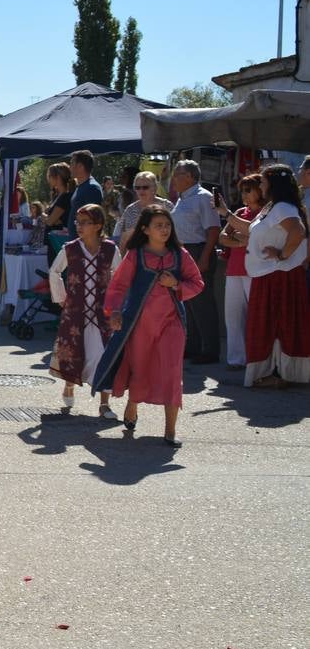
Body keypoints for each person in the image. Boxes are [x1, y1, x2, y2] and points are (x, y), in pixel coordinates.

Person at [94, 205, 204, 447]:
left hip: (172, 321)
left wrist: (176, 284)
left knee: (172, 372)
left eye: (167, 225)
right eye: (158, 226)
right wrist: (114, 311)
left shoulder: (180, 254)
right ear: (145, 230)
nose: (165, 230)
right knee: (140, 369)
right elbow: (118, 286)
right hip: (139, 323)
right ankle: (132, 405)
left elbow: (197, 283)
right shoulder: (135, 255)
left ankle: (170, 430)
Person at [227, 164, 309, 388]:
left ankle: (278, 373)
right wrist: (225, 214)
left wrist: (283, 255)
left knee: (275, 322)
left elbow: (298, 231)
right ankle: (277, 372)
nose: (260, 185)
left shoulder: (283, 207)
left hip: (278, 276)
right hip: (269, 274)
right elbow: (251, 230)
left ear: (273, 183)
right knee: (269, 322)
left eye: (262, 181)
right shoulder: (273, 207)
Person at [48, 205, 121, 414]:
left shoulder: (110, 249)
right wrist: (61, 298)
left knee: (103, 355)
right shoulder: (70, 248)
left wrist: (115, 303)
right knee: (74, 352)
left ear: (98, 225)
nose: (79, 226)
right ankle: (69, 385)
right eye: (77, 222)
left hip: (102, 314)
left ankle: (104, 403)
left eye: (85, 222)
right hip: (75, 312)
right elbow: (54, 271)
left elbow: (119, 276)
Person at [168, 160, 221, 364]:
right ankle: (193, 346)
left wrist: (205, 257)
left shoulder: (203, 198)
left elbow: (213, 229)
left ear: (189, 176)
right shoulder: (182, 198)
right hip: (183, 251)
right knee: (188, 302)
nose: (174, 179)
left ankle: (210, 350)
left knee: (203, 303)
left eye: (177, 174)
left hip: (198, 250)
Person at [215, 174, 264, 371]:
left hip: (254, 271)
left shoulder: (265, 213)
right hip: (234, 269)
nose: (244, 195)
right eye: (242, 190)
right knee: (233, 316)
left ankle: (256, 357)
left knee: (255, 316)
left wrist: (239, 236)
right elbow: (222, 237)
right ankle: (236, 359)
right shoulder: (240, 212)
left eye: (248, 190)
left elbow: (253, 233)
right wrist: (241, 240)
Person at [114, 171, 172, 248]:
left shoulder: (167, 206)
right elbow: (123, 237)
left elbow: (176, 233)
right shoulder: (130, 210)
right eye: (137, 188)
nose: (141, 191)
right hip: (137, 254)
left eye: (145, 187)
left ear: (155, 187)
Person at [67, 150, 103, 241]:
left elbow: (93, 220)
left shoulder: (92, 188)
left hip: (85, 244)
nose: (69, 167)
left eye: (71, 164)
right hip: (76, 242)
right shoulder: (81, 187)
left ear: (80, 167)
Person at [44, 163, 75, 232]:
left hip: (57, 239)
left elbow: (50, 222)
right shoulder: (57, 195)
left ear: (58, 177)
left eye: (49, 176)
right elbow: (53, 220)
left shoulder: (66, 197)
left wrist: (42, 215)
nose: (48, 179)